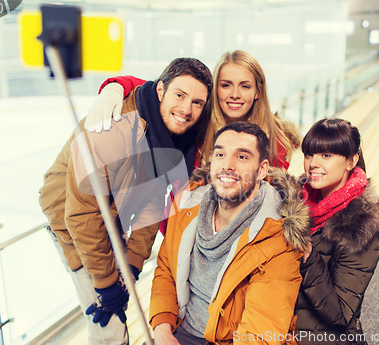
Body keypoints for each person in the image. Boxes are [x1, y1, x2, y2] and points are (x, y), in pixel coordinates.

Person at [38, 58, 213, 345]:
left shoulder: (172, 136)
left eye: (197, 102)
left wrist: (131, 265)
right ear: (160, 91)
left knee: (118, 311)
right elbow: (82, 215)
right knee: (110, 323)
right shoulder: (111, 129)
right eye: (180, 95)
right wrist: (107, 285)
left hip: (111, 216)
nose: (186, 109)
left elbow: (154, 201)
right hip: (71, 220)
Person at [149, 122, 309, 345]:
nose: (228, 165)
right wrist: (162, 328)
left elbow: (259, 331)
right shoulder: (188, 206)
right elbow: (166, 268)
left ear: (262, 170)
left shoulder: (278, 237)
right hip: (179, 329)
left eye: (242, 157)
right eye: (221, 154)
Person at [86, 50, 301, 170]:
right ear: (215, 90)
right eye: (226, 85)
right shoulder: (197, 122)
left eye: (245, 86)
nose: (234, 94)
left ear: (257, 91)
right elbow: (159, 88)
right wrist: (114, 87)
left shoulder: (278, 142)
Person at [295, 118, 379, 345]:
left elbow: (341, 314)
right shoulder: (297, 204)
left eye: (326, 155)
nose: (313, 163)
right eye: (308, 154)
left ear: (351, 161)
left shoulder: (360, 225)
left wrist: (308, 256)